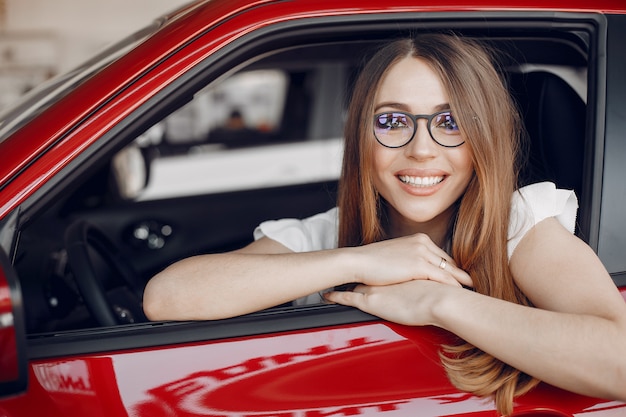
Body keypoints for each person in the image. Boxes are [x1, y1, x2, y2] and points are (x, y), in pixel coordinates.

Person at [143, 33, 626, 415]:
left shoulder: (517, 226)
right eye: (393, 122)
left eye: (451, 122)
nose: (421, 149)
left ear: (485, 138)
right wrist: (360, 259)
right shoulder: (326, 236)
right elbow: (167, 297)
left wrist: (441, 302)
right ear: (360, 139)